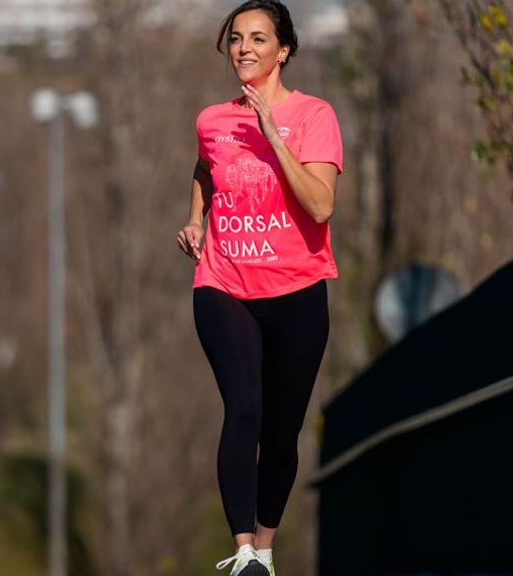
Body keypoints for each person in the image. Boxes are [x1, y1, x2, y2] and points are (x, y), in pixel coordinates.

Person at [175, 1, 343, 574]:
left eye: (258, 38)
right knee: (243, 407)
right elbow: (205, 169)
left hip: (298, 293)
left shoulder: (315, 115)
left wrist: (274, 136)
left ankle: (266, 548)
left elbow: (321, 206)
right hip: (224, 283)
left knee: (281, 431)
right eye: (236, 38)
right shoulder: (212, 120)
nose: (244, 48)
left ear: (283, 50)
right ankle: (244, 551)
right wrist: (197, 218)